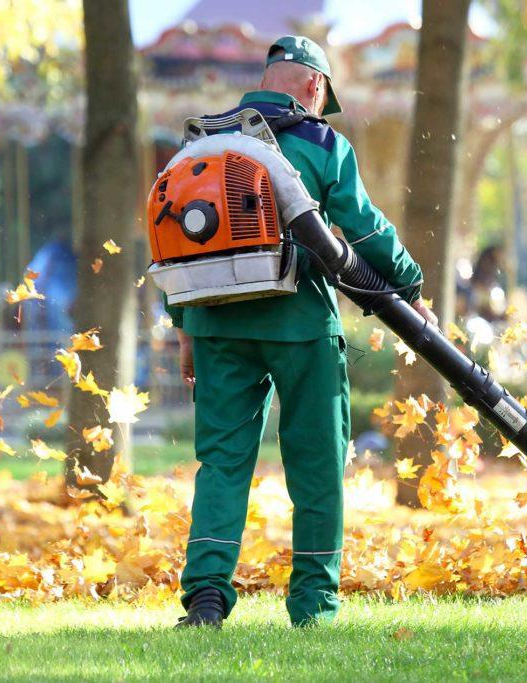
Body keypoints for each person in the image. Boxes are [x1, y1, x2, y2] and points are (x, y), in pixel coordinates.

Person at [167, 35, 436, 628]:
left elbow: (181, 242)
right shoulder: (321, 143)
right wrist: (411, 290)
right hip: (300, 326)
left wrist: (184, 326)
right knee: (317, 463)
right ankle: (314, 604)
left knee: (223, 463)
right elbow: (363, 231)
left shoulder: (202, 144)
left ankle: (207, 596)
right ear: (316, 86)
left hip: (215, 324)